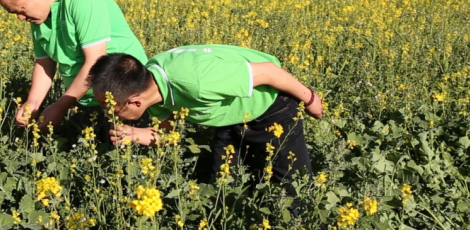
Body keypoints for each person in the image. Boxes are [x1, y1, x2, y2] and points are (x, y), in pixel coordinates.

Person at [86, 44, 322, 185]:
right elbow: (169, 134)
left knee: (292, 181)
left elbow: (271, 72)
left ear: (135, 101)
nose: (108, 113)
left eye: (110, 107)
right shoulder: (152, 88)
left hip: (271, 105)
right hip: (229, 113)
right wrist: (135, 134)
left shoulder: (197, 81)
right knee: (223, 183)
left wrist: (310, 99)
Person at [0, 0, 148, 131]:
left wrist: (60, 106)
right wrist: (33, 102)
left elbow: (95, 61)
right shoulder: (39, 14)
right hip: (85, 98)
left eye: (21, 10)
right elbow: (45, 63)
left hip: (126, 96)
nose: (20, 18)